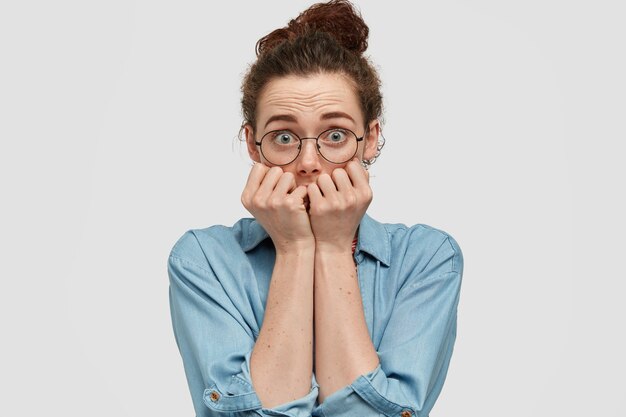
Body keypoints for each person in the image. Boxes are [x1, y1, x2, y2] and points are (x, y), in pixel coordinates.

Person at [167, 1, 464, 416]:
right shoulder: (203, 259)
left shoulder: (428, 258)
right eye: (285, 137)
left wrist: (332, 246)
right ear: (254, 145)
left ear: (371, 138)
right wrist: (294, 249)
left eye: (336, 134)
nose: (308, 161)